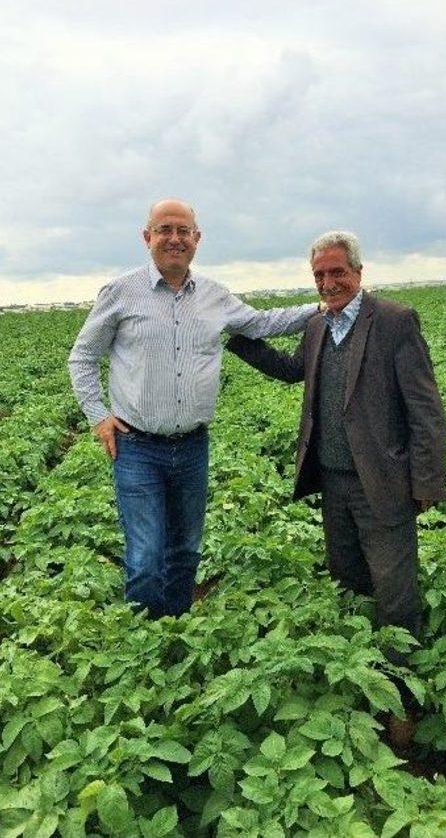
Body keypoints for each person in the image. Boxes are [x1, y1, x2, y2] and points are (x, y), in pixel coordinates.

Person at [227, 230, 446, 743]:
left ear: (358, 273)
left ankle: (404, 704)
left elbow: (426, 409)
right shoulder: (316, 325)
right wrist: (236, 338)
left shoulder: (393, 322)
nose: (328, 283)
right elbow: (290, 371)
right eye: (320, 276)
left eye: (337, 273)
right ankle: (361, 683)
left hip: (383, 485)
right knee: (348, 581)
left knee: (397, 596)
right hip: (333, 483)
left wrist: (426, 482)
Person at [68, 199, 318, 619]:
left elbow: (262, 323)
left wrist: (323, 307)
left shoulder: (215, 297)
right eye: (164, 230)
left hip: (192, 446)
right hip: (137, 447)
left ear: (197, 241)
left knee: (185, 550)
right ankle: (144, 643)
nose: (175, 239)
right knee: (146, 558)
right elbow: (83, 357)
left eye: (184, 231)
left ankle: (177, 628)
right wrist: (97, 415)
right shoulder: (120, 292)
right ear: (147, 237)